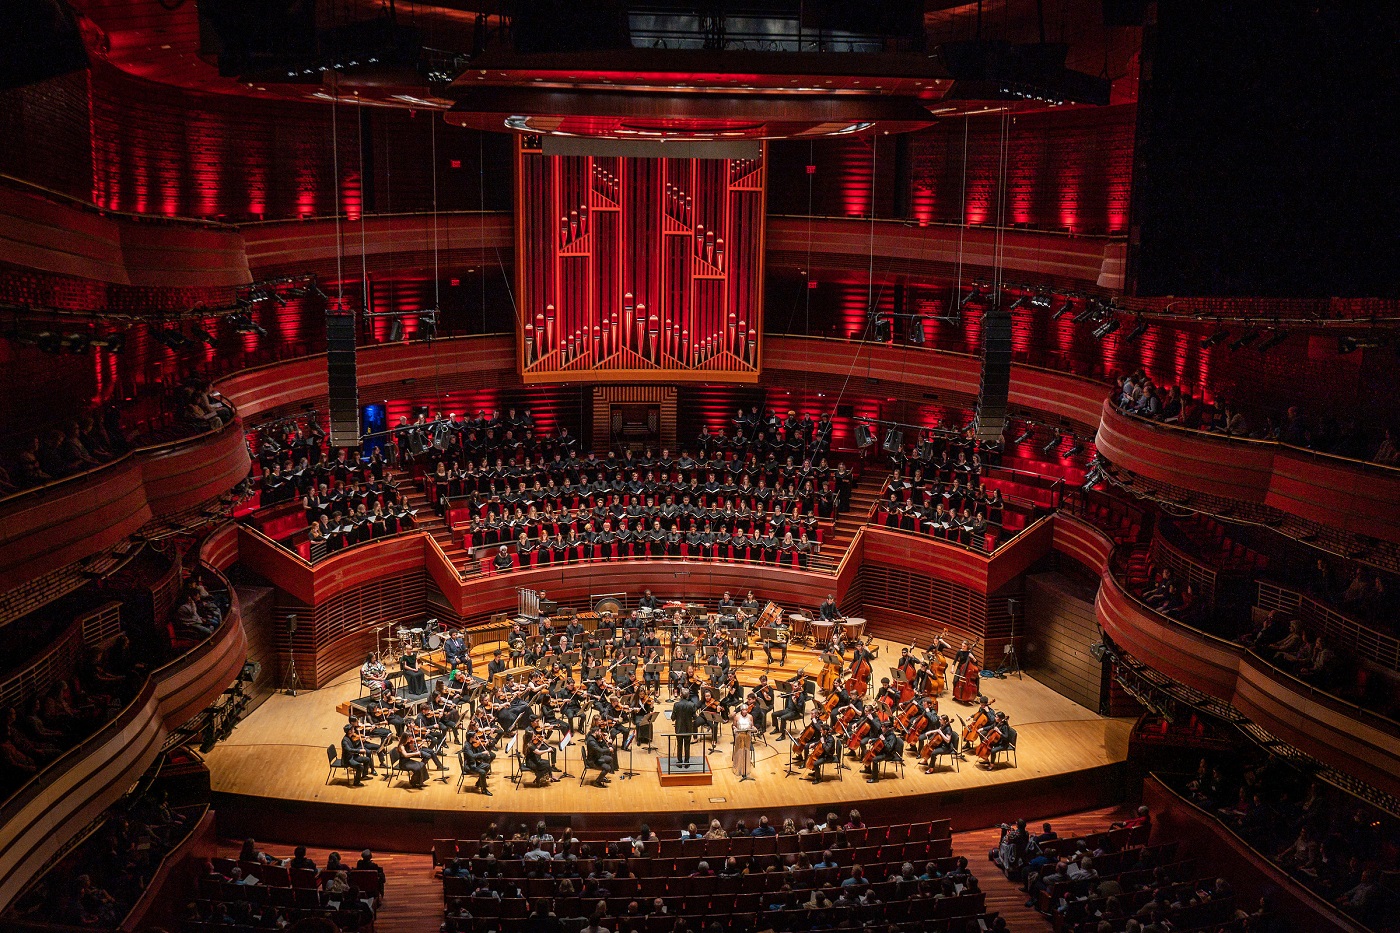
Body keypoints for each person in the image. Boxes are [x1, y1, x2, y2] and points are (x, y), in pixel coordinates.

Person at [731, 703, 756, 782]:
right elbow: (734, 725)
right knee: (740, 751)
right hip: (739, 736)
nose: (744, 711)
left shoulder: (750, 717)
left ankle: (746, 769)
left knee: (746, 751)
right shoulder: (737, 717)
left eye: (746, 710)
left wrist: (754, 728)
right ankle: (739, 768)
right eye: (743, 710)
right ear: (741, 710)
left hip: (747, 736)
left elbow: (752, 726)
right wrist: (734, 728)